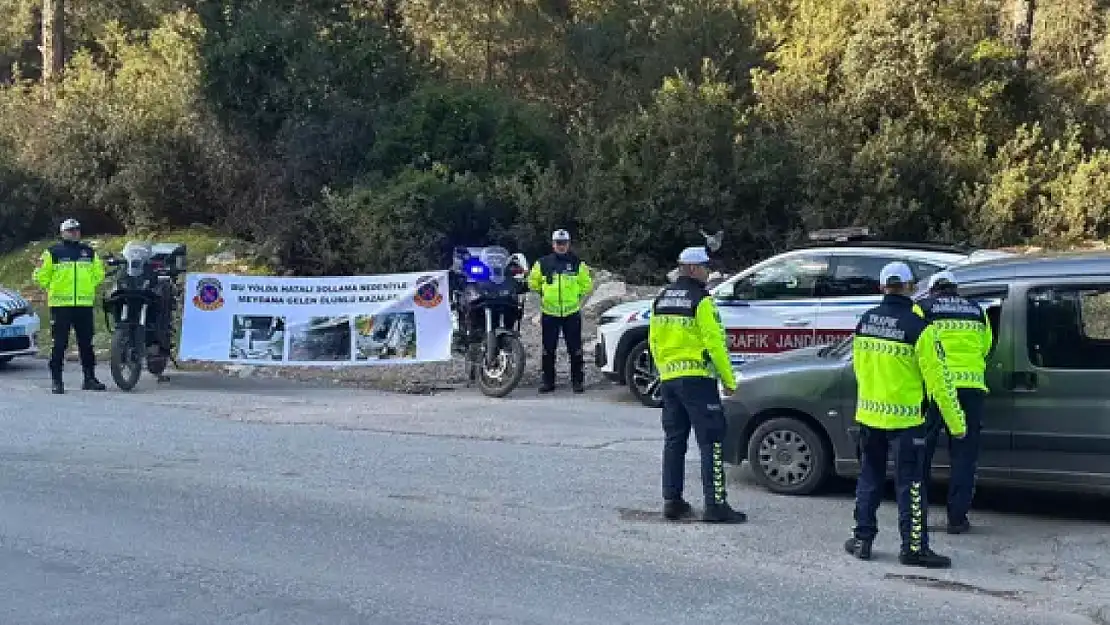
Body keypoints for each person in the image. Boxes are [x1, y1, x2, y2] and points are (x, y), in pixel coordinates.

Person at [844, 261, 966, 568]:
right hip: (907, 421)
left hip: (870, 417)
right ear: (911, 288)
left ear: (881, 287)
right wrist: (956, 424)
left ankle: (862, 540)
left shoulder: (866, 321)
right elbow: (940, 382)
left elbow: (859, 368)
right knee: (910, 484)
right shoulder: (920, 329)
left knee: (869, 478)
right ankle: (913, 548)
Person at [648, 246, 746, 523]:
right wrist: (728, 380)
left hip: (669, 379)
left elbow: (654, 340)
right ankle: (715, 505)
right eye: (704, 266)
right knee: (711, 441)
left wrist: (664, 371)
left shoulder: (662, 298)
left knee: (674, 440)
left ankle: (672, 501)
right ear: (691, 269)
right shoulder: (701, 300)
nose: (708, 271)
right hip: (697, 379)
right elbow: (715, 344)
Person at [915, 270, 993, 535]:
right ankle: (957, 519)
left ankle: (919, 517)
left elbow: (914, 344)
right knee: (964, 455)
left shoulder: (923, 308)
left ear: (933, 289)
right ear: (955, 289)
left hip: (934, 388)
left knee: (920, 453)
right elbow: (986, 347)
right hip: (971, 388)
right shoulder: (976, 310)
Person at [33, 218, 107, 394]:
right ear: (63, 233)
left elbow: (99, 274)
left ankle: (89, 378)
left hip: (83, 304)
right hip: (61, 305)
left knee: (86, 344)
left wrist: (87, 287)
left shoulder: (88, 252)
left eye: (77, 230)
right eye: (70, 230)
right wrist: (54, 287)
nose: (74, 233)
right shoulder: (53, 252)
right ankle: (57, 381)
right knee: (59, 344)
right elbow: (40, 276)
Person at [528, 229, 593, 394]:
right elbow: (532, 282)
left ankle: (577, 382)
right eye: (558, 243)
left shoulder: (578, 263)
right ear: (553, 244)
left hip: (571, 313)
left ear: (569, 244)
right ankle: (548, 382)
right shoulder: (542, 263)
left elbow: (587, 285)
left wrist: (576, 296)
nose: (561, 246)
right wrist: (544, 292)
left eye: (564, 243)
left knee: (575, 350)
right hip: (550, 313)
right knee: (548, 350)